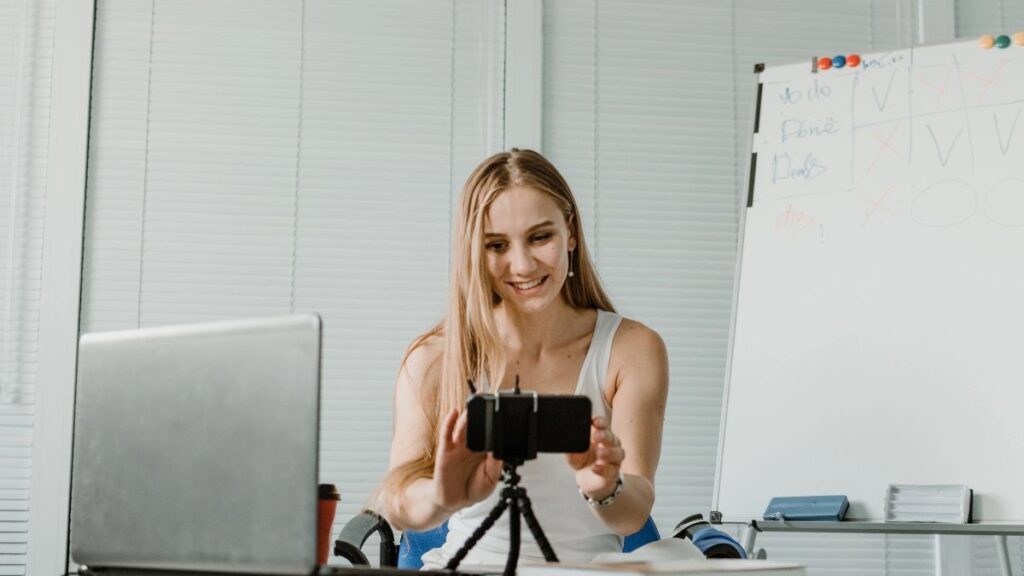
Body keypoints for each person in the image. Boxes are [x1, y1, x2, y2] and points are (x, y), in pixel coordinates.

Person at [376, 149, 669, 568]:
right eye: (497, 245)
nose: (522, 264)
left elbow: (634, 512)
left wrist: (606, 487)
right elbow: (399, 503)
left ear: (570, 231)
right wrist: (441, 496)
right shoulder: (435, 358)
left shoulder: (633, 348)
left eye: (540, 237)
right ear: (475, 252)